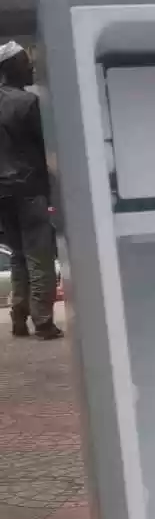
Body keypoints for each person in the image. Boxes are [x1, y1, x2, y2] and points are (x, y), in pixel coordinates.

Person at [0, 42, 61, 339]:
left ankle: (18, 316)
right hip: (29, 188)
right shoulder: (27, 102)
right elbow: (48, 147)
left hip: (2, 193)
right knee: (40, 255)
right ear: (12, 68)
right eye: (26, 63)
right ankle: (43, 321)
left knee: (18, 255)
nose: (31, 68)